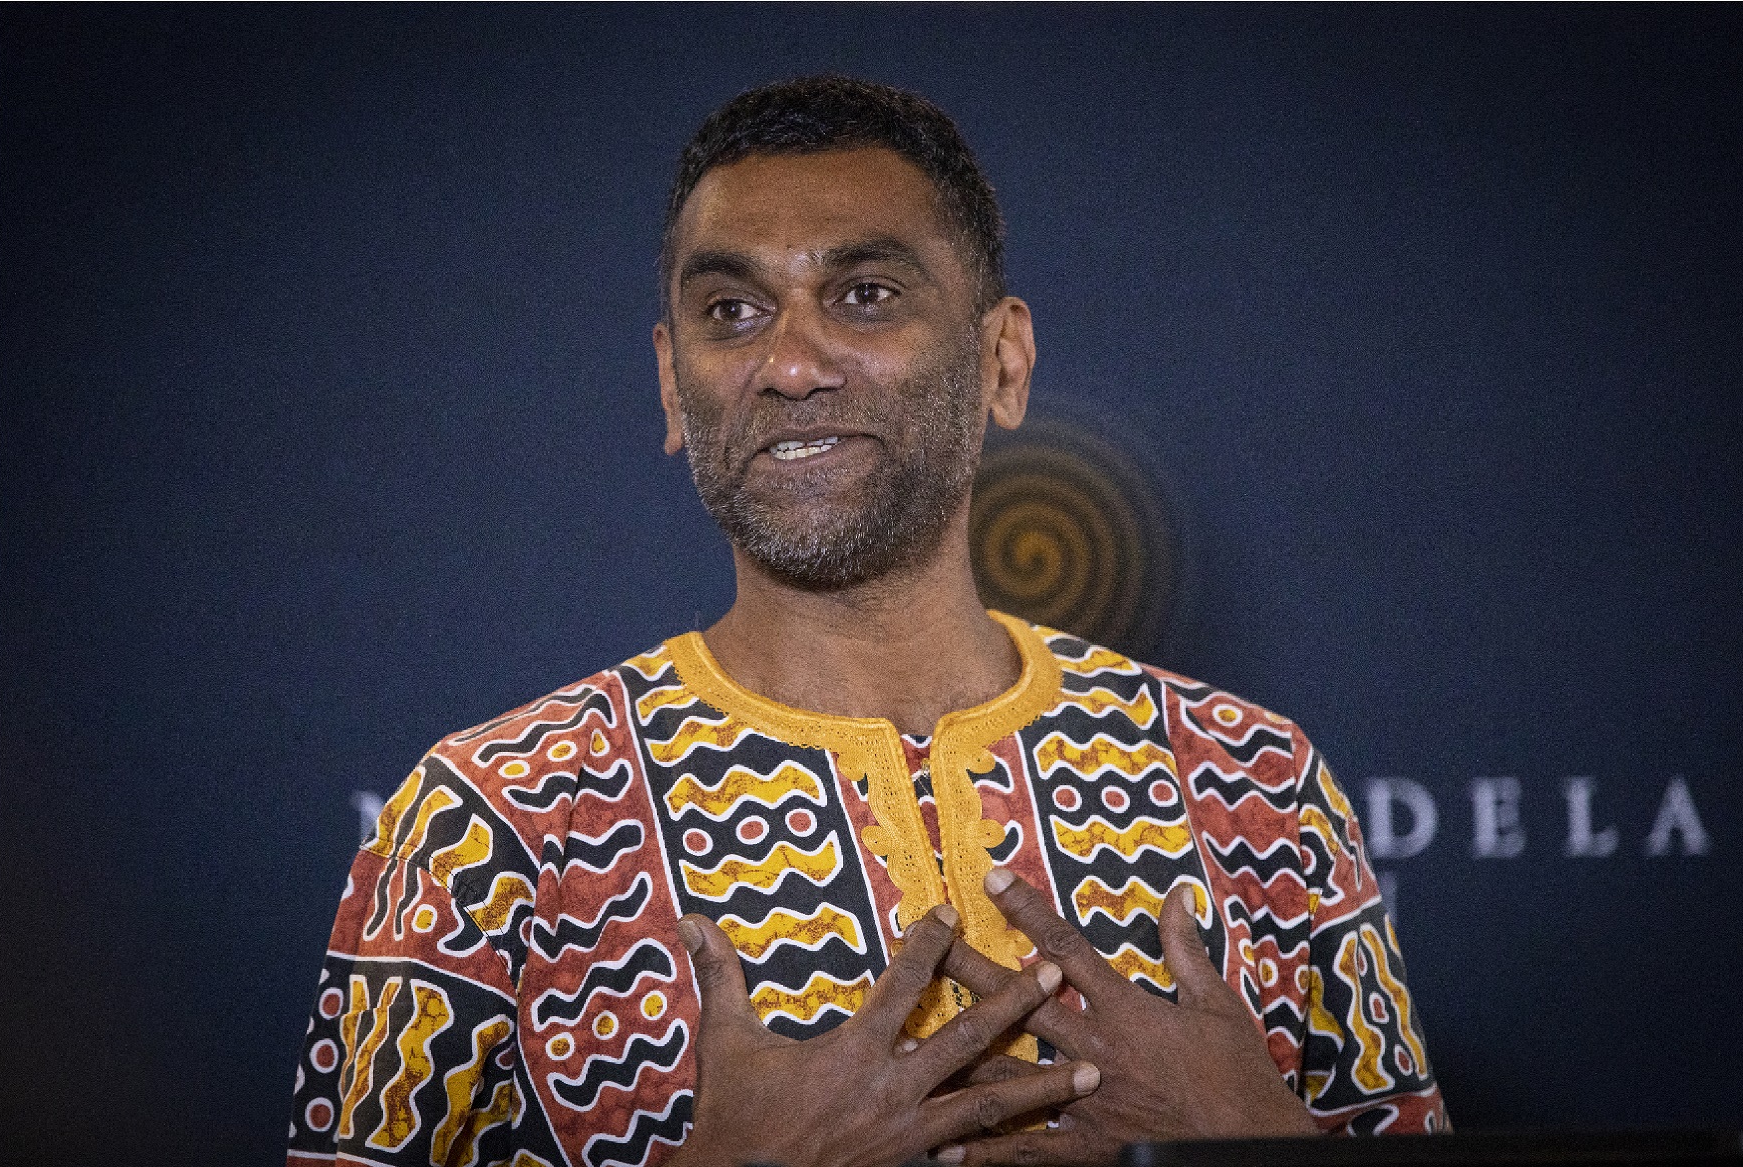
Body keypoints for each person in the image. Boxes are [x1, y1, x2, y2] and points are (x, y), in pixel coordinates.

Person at [288, 75, 1448, 1167]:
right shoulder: (492, 819)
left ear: (1002, 361)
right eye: (732, 309)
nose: (790, 363)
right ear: (669, 384)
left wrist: (1253, 1140)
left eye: (864, 295)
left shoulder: (1257, 783)